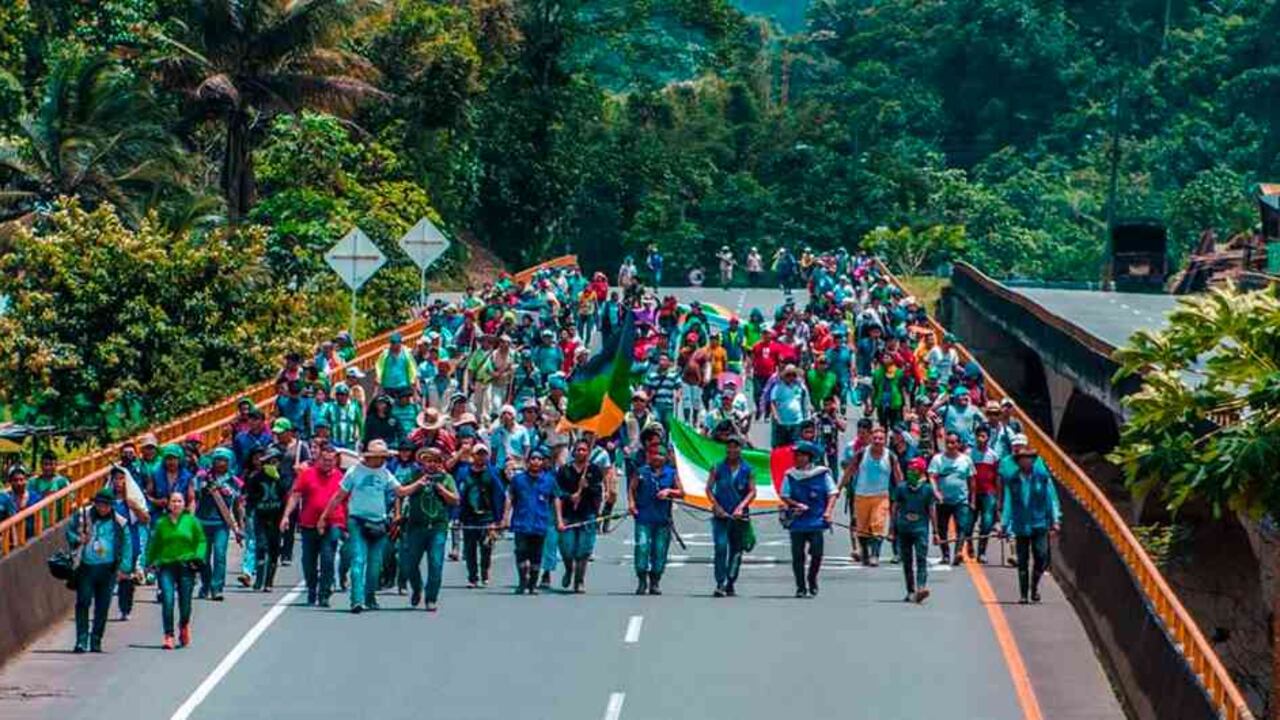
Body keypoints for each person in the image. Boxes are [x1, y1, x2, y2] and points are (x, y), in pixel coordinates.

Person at [318, 439, 432, 613]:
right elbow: (339, 496)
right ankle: (356, 599)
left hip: (378, 522)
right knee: (358, 559)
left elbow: (400, 491)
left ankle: (369, 596)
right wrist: (324, 516)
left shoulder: (385, 473)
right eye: (379, 457)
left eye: (383, 457)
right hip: (357, 520)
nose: (382, 460)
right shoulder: (354, 472)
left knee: (375, 565)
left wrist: (418, 484)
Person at [65, 491, 131, 653]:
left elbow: (127, 544)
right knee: (83, 602)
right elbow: (69, 531)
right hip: (86, 567)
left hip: (108, 569)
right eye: (99, 504)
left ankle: (96, 640)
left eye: (106, 504)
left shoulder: (120, 522)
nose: (102, 508)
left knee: (102, 606)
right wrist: (77, 539)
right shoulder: (83, 515)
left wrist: (124, 568)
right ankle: (81, 640)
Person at [398, 447, 459, 611]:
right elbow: (400, 493)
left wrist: (442, 490)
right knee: (410, 564)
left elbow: (455, 500)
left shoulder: (446, 478)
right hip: (415, 526)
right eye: (427, 460)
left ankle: (431, 597)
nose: (431, 464)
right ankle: (417, 588)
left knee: (436, 563)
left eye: (435, 461)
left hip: (437, 526)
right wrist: (398, 514)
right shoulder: (413, 476)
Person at [284, 447, 346, 607]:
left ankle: (325, 593)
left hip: (332, 523)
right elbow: (296, 495)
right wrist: (286, 516)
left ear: (335, 461)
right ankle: (312, 588)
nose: (327, 463)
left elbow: (346, 502)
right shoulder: (307, 474)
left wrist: (348, 525)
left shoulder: (341, 477)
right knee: (308, 561)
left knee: (327, 558)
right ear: (318, 459)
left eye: (331, 460)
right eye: (324, 460)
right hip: (309, 523)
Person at [1000, 446, 1061, 603]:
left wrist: (1055, 520)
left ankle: (1034, 587)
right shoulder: (1012, 480)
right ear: (1018, 461)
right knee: (1022, 561)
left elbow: (1050, 500)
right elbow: (1008, 503)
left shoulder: (1042, 477)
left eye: (1029, 458)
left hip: (1039, 523)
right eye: (1022, 458)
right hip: (1021, 525)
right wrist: (1004, 525)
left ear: (1033, 460)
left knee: (1041, 557)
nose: (1026, 461)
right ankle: (1023, 594)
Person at [148, 491, 206, 649]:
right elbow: (154, 544)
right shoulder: (161, 523)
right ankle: (168, 635)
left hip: (186, 566)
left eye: (179, 501)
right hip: (166, 566)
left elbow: (201, 541)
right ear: (168, 504)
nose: (176, 504)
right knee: (167, 600)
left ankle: (184, 625)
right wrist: (149, 562)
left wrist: (198, 557)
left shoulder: (192, 522)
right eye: (173, 501)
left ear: (184, 504)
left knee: (185, 602)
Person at [838, 426, 902, 566]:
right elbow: (849, 471)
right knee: (862, 528)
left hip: (881, 496)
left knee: (878, 524)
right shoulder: (862, 454)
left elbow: (898, 478)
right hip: (861, 496)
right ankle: (865, 553)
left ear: (885, 441)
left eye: (881, 439)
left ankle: (875, 555)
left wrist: (903, 494)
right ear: (870, 439)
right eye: (875, 438)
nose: (878, 441)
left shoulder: (890, 456)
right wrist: (839, 488)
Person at [780, 441, 837, 598]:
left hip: (817, 520)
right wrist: (795, 504)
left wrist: (828, 512)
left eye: (801, 455)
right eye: (796, 455)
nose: (797, 458)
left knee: (817, 554)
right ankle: (800, 586)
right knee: (798, 556)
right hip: (797, 521)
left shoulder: (822, 474)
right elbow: (784, 495)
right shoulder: (790, 475)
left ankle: (812, 578)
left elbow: (833, 493)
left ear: (809, 457)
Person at [629, 444, 683, 595]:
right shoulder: (641, 472)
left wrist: (669, 491)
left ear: (665, 457)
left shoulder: (671, 474)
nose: (656, 457)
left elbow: (681, 493)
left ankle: (655, 581)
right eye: (653, 454)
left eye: (660, 454)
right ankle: (641, 580)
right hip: (643, 519)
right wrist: (632, 504)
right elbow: (632, 489)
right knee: (642, 548)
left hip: (662, 521)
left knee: (659, 552)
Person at [706, 434, 755, 597]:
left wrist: (741, 507)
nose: (732, 450)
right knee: (720, 546)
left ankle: (731, 581)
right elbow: (709, 489)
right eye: (729, 446)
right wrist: (716, 506)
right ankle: (720, 582)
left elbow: (752, 491)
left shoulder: (748, 469)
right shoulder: (717, 467)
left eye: (736, 446)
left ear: (741, 449)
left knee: (736, 551)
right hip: (721, 516)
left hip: (739, 518)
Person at [554, 439, 604, 593]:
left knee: (584, 551)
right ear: (573, 452)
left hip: (587, 514)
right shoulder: (564, 470)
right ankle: (569, 569)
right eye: (578, 450)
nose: (580, 452)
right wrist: (570, 497)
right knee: (567, 548)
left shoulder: (594, 470)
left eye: (584, 450)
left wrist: (587, 487)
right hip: (568, 515)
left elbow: (599, 492)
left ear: (588, 452)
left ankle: (579, 580)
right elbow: (557, 493)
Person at [505, 448, 556, 595]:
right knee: (521, 553)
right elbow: (510, 497)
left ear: (543, 462)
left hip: (540, 523)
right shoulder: (518, 480)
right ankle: (522, 582)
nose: (536, 462)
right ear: (527, 462)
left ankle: (533, 585)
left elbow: (556, 500)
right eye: (533, 459)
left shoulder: (549, 480)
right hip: (521, 523)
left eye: (539, 459)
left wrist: (558, 520)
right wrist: (505, 517)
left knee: (536, 556)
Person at [193, 448, 241, 600]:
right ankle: (206, 584)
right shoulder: (202, 477)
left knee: (220, 555)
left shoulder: (234, 481)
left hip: (221, 523)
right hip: (202, 522)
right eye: (218, 460)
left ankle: (217, 588)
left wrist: (239, 526)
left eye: (224, 460)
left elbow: (237, 505)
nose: (220, 463)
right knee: (203, 558)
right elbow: (194, 495)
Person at [455, 443, 505, 588]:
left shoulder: (493, 472)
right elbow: (459, 495)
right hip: (469, 516)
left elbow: (499, 495)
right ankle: (472, 577)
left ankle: (484, 572)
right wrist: (456, 516)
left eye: (484, 454)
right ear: (473, 455)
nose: (481, 457)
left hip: (487, 516)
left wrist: (498, 519)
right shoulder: (464, 473)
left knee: (486, 547)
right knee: (469, 549)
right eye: (478, 454)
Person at [891, 457, 936, 603]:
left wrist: (936, 532)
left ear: (921, 472)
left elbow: (931, 510)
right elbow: (895, 508)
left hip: (921, 530)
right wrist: (892, 529)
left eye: (914, 470)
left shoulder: (928, 489)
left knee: (921, 559)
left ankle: (921, 588)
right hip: (903, 530)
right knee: (907, 561)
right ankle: (910, 590)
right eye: (909, 470)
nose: (911, 473)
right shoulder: (901, 488)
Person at [243, 448, 289, 591]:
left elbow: (287, 494)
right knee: (261, 546)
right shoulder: (256, 477)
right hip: (261, 515)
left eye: (275, 462)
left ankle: (269, 581)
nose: (272, 465)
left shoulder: (283, 476)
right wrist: (248, 514)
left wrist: (278, 479)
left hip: (277, 516)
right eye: (269, 462)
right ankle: (259, 579)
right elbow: (250, 496)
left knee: (274, 548)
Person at [929, 431, 975, 565]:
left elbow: (972, 480)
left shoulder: (966, 460)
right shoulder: (937, 459)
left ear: (959, 444)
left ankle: (958, 552)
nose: (950, 445)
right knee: (942, 528)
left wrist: (972, 500)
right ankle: (945, 554)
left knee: (962, 526)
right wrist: (936, 491)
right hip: (943, 500)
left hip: (961, 500)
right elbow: (932, 476)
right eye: (948, 442)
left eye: (953, 442)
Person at [969, 424, 1002, 563]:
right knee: (969, 521)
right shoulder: (969, 454)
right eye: (979, 436)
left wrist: (998, 497)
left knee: (987, 522)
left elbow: (998, 477)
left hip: (989, 493)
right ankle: (969, 544)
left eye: (984, 436)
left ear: (988, 438)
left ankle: (982, 551)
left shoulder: (993, 456)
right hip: (973, 492)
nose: (981, 439)